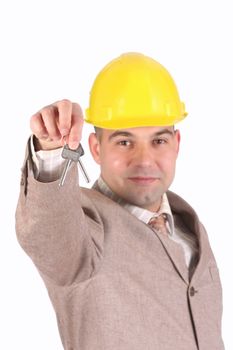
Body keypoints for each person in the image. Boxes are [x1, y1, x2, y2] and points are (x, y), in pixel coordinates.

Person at [15, 52, 224, 350]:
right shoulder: (85, 231)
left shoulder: (190, 230)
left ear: (177, 145)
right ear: (96, 148)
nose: (144, 160)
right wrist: (51, 151)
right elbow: (47, 234)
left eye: (159, 141)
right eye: (124, 142)